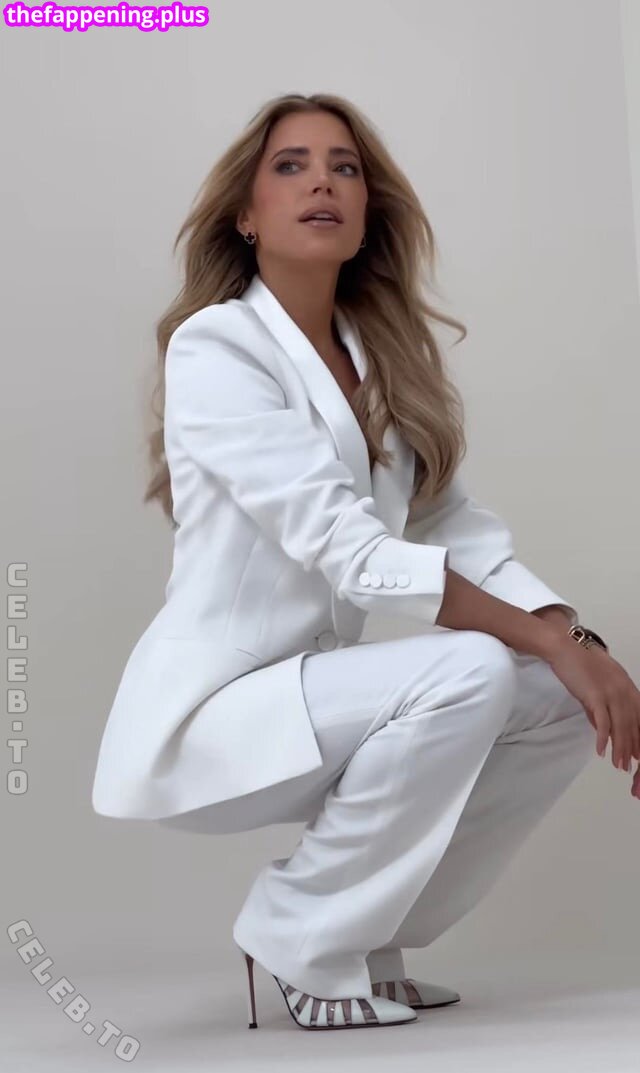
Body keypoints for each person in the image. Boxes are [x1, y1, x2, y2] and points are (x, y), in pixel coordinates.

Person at [93, 92, 640, 1033]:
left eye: (344, 168)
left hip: (314, 700)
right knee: (475, 668)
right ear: (246, 213)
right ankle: (298, 934)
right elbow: (349, 552)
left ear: (366, 212)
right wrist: (553, 643)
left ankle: (365, 934)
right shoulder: (218, 346)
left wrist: (574, 643)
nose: (323, 183)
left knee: (552, 697)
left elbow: (455, 526)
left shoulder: (375, 362)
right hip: (214, 715)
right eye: (292, 166)